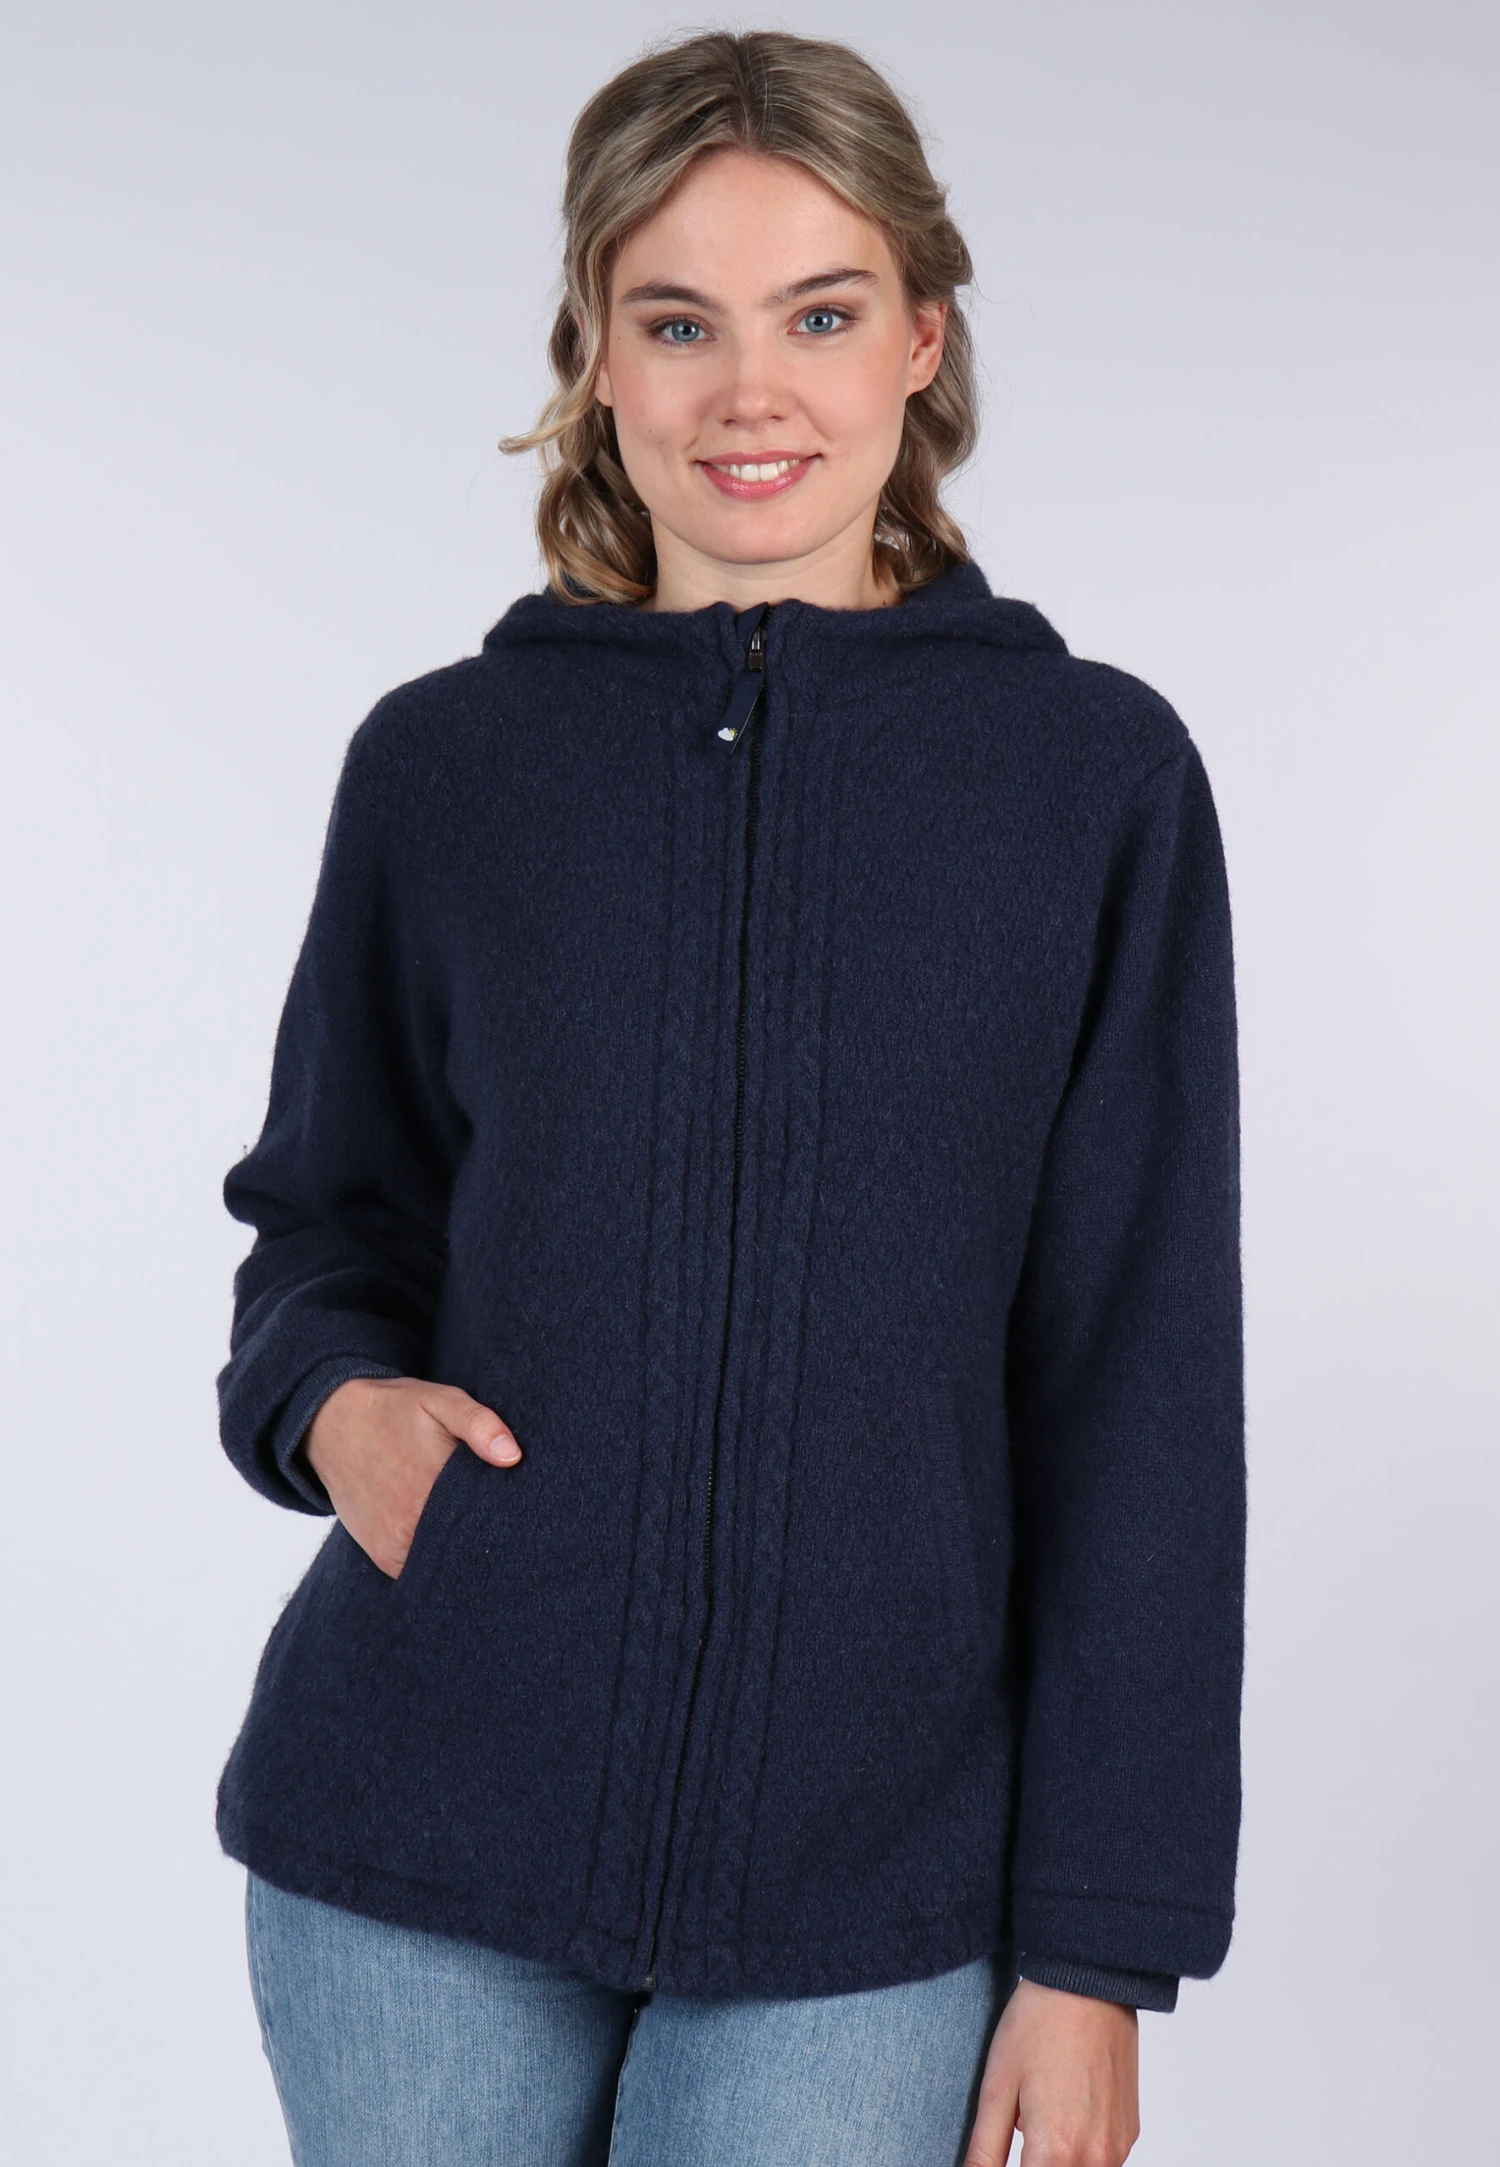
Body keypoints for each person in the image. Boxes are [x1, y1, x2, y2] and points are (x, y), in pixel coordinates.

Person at [216, 29, 1245, 2167]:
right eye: (679, 321)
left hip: (877, 1888)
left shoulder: (1092, 781)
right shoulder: (446, 766)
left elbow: (1141, 1386)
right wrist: (334, 1406)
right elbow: (328, 1217)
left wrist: (1099, 1952)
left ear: (923, 337)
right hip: (413, 1843)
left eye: (822, 314)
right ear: (597, 354)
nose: (749, 392)